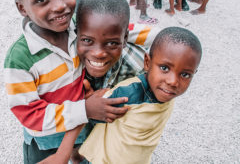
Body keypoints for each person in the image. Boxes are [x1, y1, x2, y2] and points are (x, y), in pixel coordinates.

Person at [5, 0, 129, 163]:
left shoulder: (76, 26)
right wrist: (86, 109)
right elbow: (29, 114)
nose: (60, 5)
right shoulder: (20, 58)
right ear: (22, 8)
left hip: (81, 127)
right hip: (46, 140)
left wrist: (163, 41)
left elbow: (119, 29)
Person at [39, 0, 164, 163]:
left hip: (112, 132)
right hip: (76, 120)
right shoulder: (64, 60)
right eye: (87, 40)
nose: (98, 53)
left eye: (112, 43)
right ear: (76, 34)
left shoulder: (137, 65)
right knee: (78, 148)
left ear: (125, 38)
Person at [78, 27, 202, 163]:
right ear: (147, 63)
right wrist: (91, 103)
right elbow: (93, 115)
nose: (173, 82)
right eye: (165, 68)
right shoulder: (127, 94)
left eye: (185, 74)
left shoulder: (166, 93)